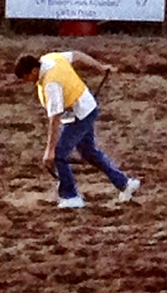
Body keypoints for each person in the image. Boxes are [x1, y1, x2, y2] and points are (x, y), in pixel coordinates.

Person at [14, 52, 140, 209]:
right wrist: (100, 67)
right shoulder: (51, 58)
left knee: (59, 154)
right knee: (89, 152)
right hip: (87, 108)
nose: (28, 82)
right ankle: (125, 183)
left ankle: (71, 197)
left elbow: (55, 119)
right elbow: (77, 55)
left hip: (80, 115)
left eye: (26, 78)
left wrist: (49, 150)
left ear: (33, 71)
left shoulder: (51, 84)